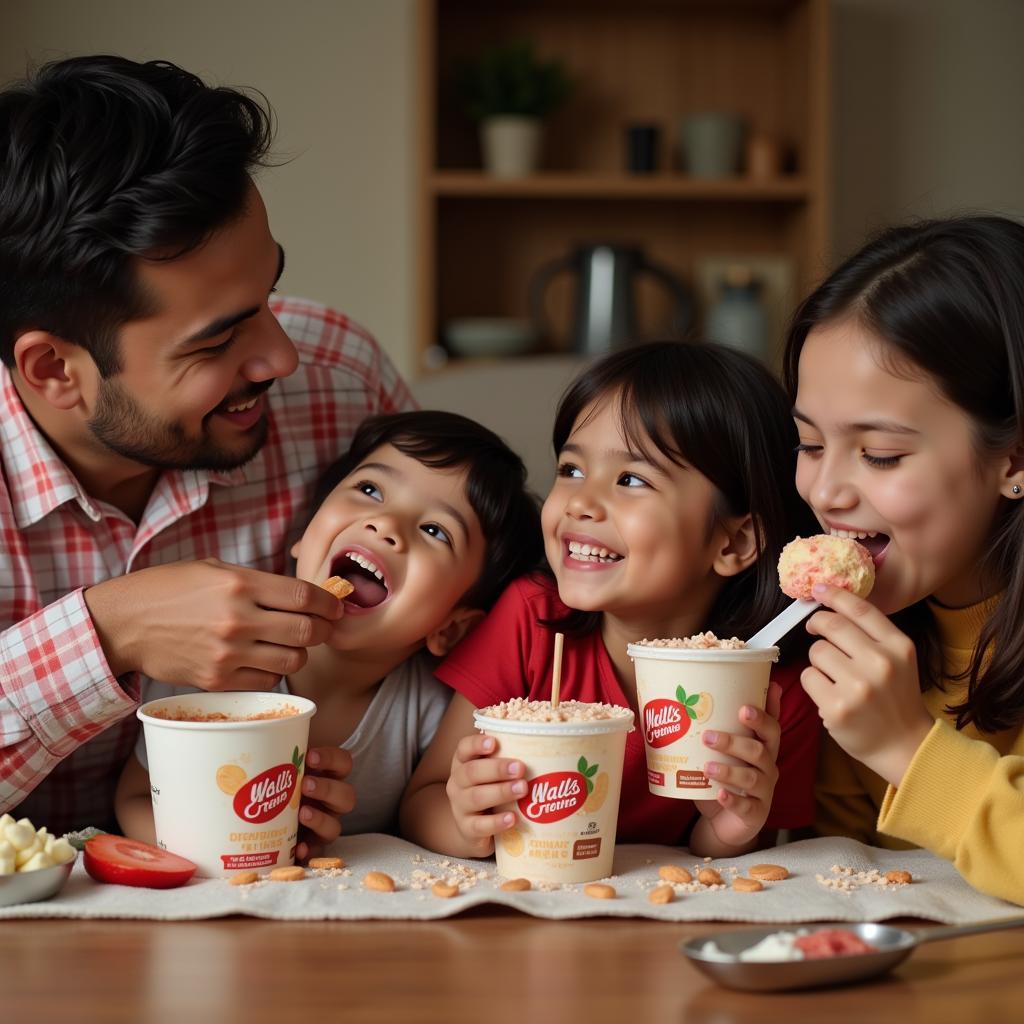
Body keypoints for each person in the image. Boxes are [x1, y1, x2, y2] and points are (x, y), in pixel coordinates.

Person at [0, 55, 415, 850]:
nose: (283, 358)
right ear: (55, 370)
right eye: (219, 339)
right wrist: (105, 632)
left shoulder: (343, 384)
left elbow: (487, 624)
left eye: (267, 296)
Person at [401, 341, 822, 859]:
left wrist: (730, 829)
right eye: (571, 470)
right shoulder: (531, 618)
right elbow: (422, 801)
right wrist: (467, 822)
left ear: (733, 542)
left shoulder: (772, 690)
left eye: (630, 479)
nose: (579, 502)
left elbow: (746, 860)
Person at [115, 411, 544, 841]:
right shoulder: (215, 660)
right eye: (370, 489)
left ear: (451, 629)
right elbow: (134, 799)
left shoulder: (430, 709)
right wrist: (218, 846)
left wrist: (469, 822)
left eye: (435, 530)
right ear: (304, 534)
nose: (387, 524)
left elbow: (431, 810)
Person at [783, 216, 1024, 906]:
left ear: (1014, 457)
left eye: (880, 455)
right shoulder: (862, 644)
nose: (825, 493)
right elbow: (843, 882)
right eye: (808, 444)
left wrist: (907, 748)